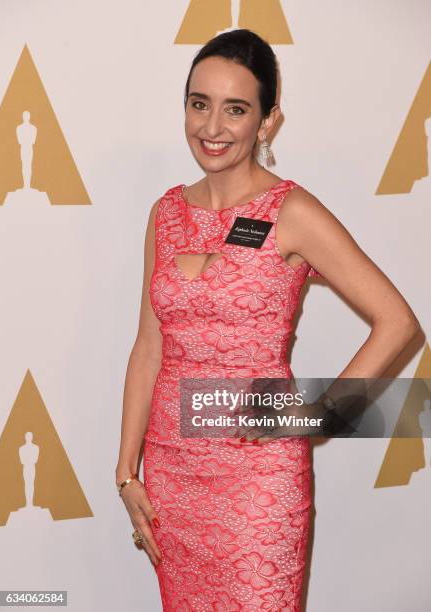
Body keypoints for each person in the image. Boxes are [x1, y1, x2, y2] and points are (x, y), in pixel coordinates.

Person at [115, 28, 420, 611]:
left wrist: (316, 414)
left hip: (259, 483)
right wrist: (127, 472)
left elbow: (397, 322)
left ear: (268, 121)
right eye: (199, 104)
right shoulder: (166, 213)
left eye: (236, 109)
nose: (212, 127)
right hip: (172, 473)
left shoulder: (293, 213)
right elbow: (148, 346)